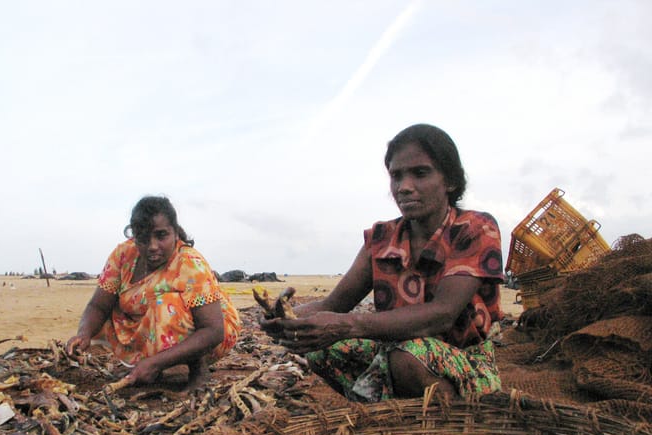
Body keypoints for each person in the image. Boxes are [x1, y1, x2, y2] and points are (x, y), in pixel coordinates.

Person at [261, 124, 504, 403]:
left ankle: (453, 414)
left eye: (420, 173)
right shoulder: (381, 239)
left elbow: (442, 314)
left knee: (407, 358)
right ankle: (394, 409)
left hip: (464, 362)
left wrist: (347, 326)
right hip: (395, 353)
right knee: (320, 350)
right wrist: (284, 318)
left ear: (450, 181)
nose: (404, 187)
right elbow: (333, 305)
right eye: (396, 176)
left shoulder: (474, 228)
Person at [66, 196, 241, 387]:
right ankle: (157, 363)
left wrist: (155, 363)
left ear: (175, 233)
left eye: (161, 235)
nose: (152, 246)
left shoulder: (190, 264)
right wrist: (83, 334)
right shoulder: (123, 255)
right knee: (114, 310)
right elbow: (99, 305)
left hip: (213, 331)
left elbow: (213, 330)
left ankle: (191, 367)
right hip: (153, 327)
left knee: (165, 305)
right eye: (143, 238)